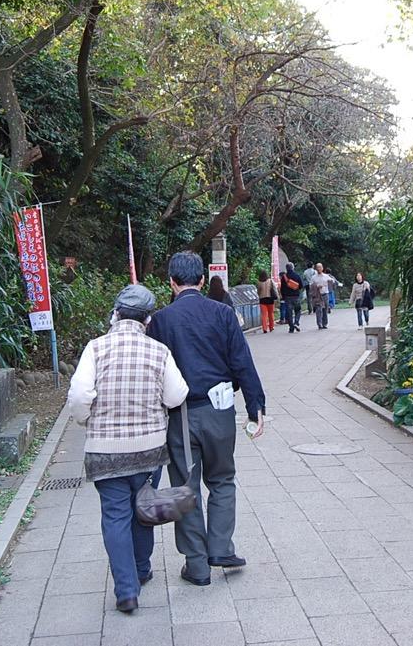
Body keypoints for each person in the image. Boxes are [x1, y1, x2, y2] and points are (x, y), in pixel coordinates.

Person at [66, 284, 190, 614]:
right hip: (149, 449)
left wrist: (85, 420)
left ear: (116, 315)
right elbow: (176, 395)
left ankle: (126, 590)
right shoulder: (159, 351)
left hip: (105, 450)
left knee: (115, 515)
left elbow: (79, 395)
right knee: (143, 508)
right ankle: (142, 569)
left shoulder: (95, 348)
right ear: (148, 320)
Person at [147, 252, 266, 587]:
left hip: (179, 417)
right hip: (220, 411)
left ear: (171, 282)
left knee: (185, 487)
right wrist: (256, 407)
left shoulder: (161, 321)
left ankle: (197, 564)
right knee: (223, 479)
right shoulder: (223, 313)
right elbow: (242, 361)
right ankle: (221, 548)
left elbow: (154, 374)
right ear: (201, 280)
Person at [278, 262, 303, 333]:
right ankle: (296, 322)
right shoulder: (297, 275)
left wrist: (283, 296)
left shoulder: (284, 277)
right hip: (296, 296)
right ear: (293, 268)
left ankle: (291, 327)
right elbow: (301, 286)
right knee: (298, 310)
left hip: (287, 297)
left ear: (286, 268)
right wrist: (296, 289)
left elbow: (282, 288)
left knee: (289, 312)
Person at [309, 263, 331, 330]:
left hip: (325, 294)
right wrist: (316, 286)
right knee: (318, 310)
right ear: (316, 268)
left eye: (320, 267)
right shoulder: (313, 277)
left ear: (322, 268)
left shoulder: (326, 276)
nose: (319, 269)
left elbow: (331, 282)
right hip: (318, 295)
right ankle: (319, 324)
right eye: (317, 267)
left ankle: (325, 323)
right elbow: (310, 285)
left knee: (325, 309)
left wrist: (329, 283)